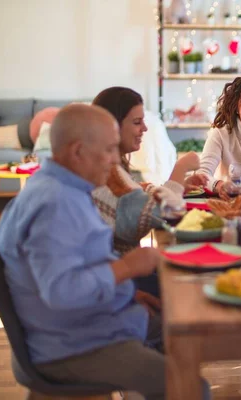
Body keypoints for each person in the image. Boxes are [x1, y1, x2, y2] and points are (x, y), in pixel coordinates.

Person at [0, 104, 172, 399]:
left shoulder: (55, 187)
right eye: (109, 150)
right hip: (70, 346)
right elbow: (62, 290)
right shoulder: (56, 204)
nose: (115, 160)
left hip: (74, 326)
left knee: (169, 323)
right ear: (77, 153)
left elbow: (77, 267)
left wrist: (124, 292)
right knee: (185, 382)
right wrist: (128, 268)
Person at [91, 87, 207, 300]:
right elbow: (156, 213)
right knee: (193, 285)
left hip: (121, 272)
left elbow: (140, 192)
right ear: (112, 127)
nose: (144, 128)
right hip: (121, 277)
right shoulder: (107, 173)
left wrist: (176, 185)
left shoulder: (116, 169)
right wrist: (180, 169)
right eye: (137, 122)